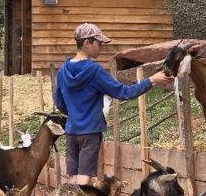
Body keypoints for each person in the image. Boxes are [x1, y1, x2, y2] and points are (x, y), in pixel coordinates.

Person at [54, 22, 173, 185]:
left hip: (72, 131)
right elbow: (124, 93)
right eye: (99, 43)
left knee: (73, 176)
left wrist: (75, 113)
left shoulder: (62, 71)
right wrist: (152, 80)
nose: (101, 47)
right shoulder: (94, 71)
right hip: (90, 132)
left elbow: (59, 102)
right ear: (87, 42)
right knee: (84, 177)